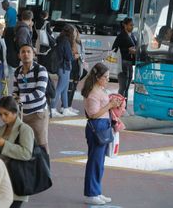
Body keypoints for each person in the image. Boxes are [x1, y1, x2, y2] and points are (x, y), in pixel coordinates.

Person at [81, 62, 121, 205]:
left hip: (103, 126)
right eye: (105, 77)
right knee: (95, 162)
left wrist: (112, 104)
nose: (107, 79)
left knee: (99, 162)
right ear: (98, 77)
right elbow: (93, 114)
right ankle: (91, 193)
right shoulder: (93, 93)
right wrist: (110, 105)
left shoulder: (100, 89)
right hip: (97, 127)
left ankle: (96, 191)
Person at [0, 96, 34, 208]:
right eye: (0, 114)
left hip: (16, 180)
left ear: (15, 112)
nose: (3, 118)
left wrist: (4, 144)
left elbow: (26, 153)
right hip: (2, 180)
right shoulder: (2, 128)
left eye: (6, 114)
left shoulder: (25, 129)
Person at [13, 44, 50, 152]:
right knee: (24, 144)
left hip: (38, 114)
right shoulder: (17, 71)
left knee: (42, 144)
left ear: (33, 54)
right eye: (23, 52)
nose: (26, 54)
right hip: (22, 115)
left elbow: (39, 92)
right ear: (19, 55)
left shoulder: (41, 70)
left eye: (29, 51)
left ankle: (45, 168)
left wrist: (21, 99)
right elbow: (15, 91)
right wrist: (13, 98)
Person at [50, 25, 76, 117]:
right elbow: (68, 56)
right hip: (64, 67)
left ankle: (65, 108)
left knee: (64, 89)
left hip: (61, 67)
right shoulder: (66, 41)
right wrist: (74, 57)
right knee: (59, 89)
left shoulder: (60, 39)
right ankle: (52, 109)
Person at [111, 17, 136, 101]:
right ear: (125, 25)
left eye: (133, 25)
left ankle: (123, 106)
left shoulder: (132, 35)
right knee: (123, 87)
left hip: (130, 63)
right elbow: (114, 48)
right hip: (123, 63)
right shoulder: (121, 36)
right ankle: (119, 105)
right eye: (130, 25)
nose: (132, 27)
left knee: (127, 86)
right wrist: (127, 50)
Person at [68, 26, 86, 113]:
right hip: (70, 66)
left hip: (78, 66)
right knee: (69, 87)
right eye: (73, 32)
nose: (74, 34)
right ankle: (66, 106)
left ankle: (69, 105)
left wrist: (79, 55)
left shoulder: (79, 42)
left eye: (75, 32)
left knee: (74, 87)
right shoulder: (68, 42)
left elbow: (83, 53)